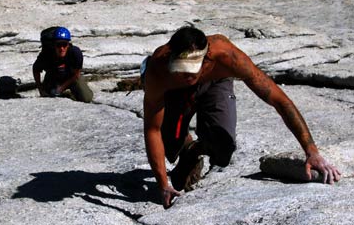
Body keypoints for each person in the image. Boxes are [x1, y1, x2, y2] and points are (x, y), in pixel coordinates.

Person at [142, 26, 341, 209]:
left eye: (191, 69)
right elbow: (152, 129)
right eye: (180, 69)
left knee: (224, 146)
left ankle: (197, 149)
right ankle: (185, 146)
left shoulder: (227, 56)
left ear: (207, 57)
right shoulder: (158, 71)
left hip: (216, 82)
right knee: (169, 145)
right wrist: (163, 184)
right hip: (175, 93)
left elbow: (280, 100)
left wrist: (311, 151)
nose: (186, 76)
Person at [33, 26, 93, 103]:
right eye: (58, 45)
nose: (62, 48)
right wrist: (40, 89)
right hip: (53, 78)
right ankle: (64, 94)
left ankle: (71, 92)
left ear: (68, 44)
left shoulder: (75, 53)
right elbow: (36, 69)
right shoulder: (47, 54)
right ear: (54, 45)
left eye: (64, 45)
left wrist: (61, 88)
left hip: (72, 78)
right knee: (48, 98)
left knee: (87, 98)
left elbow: (77, 74)